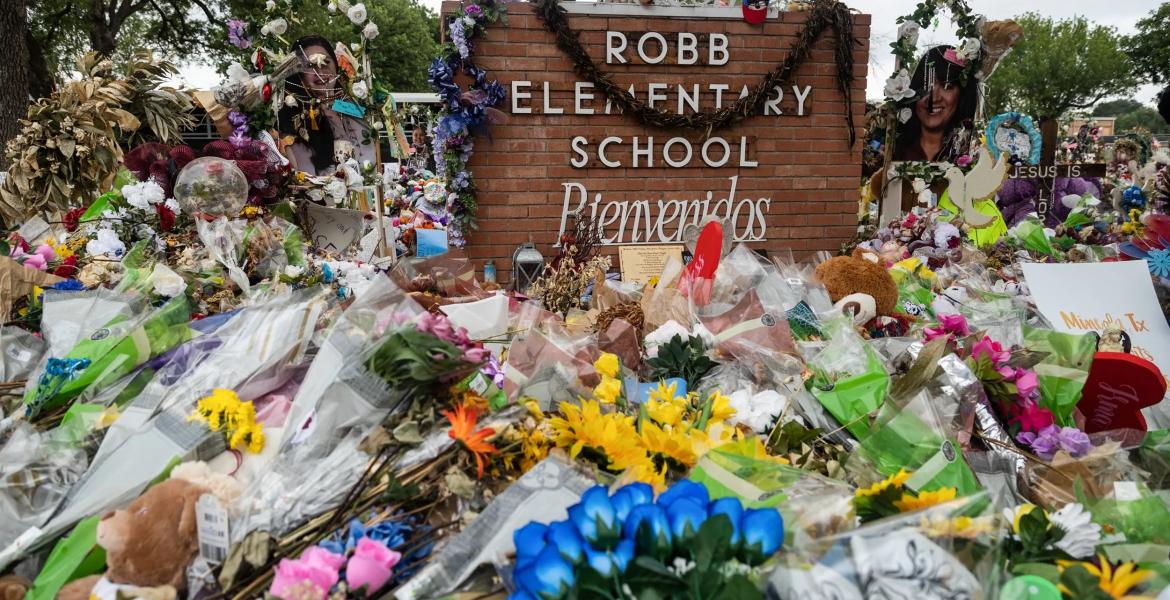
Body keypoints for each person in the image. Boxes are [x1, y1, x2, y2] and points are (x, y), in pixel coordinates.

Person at [277, 35, 375, 175]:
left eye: (326, 62)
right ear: (297, 73)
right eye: (310, 65)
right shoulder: (293, 117)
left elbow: (370, 157)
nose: (321, 72)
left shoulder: (352, 104)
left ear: (335, 64)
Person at [893, 45, 980, 163]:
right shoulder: (891, 151)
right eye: (925, 86)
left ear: (961, 96)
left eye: (946, 86)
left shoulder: (974, 155)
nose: (934, 98)